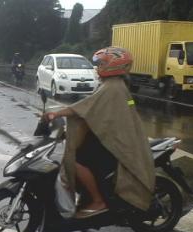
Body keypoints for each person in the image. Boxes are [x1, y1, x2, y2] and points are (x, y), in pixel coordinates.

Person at [43, 47, 155, 219]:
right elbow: (93, 108)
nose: (97, 67)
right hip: (113, 137)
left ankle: (98, 201)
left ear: (113, 66)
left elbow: (86, 107)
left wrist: (56, 114)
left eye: (101, 64)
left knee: (77, 161)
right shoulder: (113, 84)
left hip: (117, 142)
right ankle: (89, 196)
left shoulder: (113, 88)